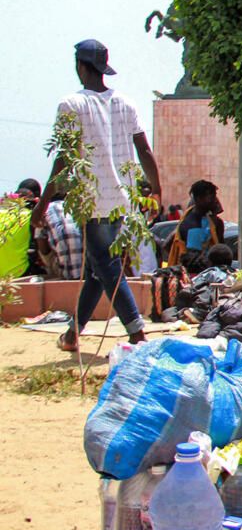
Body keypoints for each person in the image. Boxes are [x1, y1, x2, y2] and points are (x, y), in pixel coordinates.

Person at [32, 39, 161, 352]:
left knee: (106, 264)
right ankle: (73, 334)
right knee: (97, 269)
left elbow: (63, 159)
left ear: (81, 66)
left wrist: (43, 203)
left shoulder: (71, 104)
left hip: (94, 199)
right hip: (124, 199)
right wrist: (156, 190)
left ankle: (136, 332)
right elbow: (143, 149)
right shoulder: (126, 103)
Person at [169, 180, 224, 266]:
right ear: (199, 199)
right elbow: (194, 261)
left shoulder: (207, 220)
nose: (215, 201)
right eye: (212, 197)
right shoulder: (193, 225)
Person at [35, 192, 83, 280]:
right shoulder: (78, 207)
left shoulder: (43, 212)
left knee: (44, 249)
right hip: (85, 270)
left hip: (64, 272)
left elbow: (43, 249)